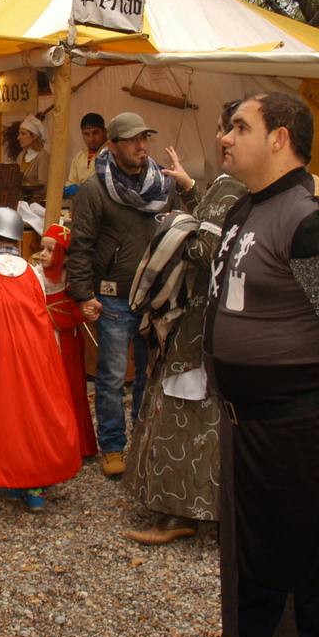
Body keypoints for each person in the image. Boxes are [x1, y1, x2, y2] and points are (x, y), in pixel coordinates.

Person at [182, 92, 319, 637]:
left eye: (239, 126)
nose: (225, 137)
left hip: (305, 431)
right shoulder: (247, 208)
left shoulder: (316, 221)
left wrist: (304, 396)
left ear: (280, 138)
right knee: (250, 551)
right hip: (246, 424)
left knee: (314, 563)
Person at [124, 101, 246, 546]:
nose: (223, 138)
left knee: (185, 417)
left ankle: (182, 514)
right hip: (216, 321)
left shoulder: (234, 185)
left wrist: (177, 229)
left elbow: (205, 253)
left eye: (230, 128)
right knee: (192, 413)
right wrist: (193, 193)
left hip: (199, 323)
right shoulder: (242, 185)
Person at [66, 111, 172, 479]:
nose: (141, 146)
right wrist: (82, 293)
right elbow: (79, 246)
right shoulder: (94, 190)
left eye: (144, 138)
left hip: (154, 297)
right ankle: (113, 446)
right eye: (131, 140)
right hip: (113, 296)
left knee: (149, 374)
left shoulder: (161, 185)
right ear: (112, 145)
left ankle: (142, 439)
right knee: (111, 378)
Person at [0, 207, 80, 513]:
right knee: (33, 413)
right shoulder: (32, 271)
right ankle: (34, 484)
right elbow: (41, 314)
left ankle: (10, 478)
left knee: (5, 415)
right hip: (35, 352)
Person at [35, 224, 98, 460]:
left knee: (73, 392)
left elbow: (78, 310)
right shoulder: (35, 276)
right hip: (44, 344)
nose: (43, 254)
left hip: (68, 344)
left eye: (50, 250)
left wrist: (84, 312)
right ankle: (51, 447)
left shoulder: (72, 281)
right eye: (42, 248)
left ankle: (81, 446)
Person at [64, 112, 107, 196]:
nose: (91, 138)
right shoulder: (79, 157)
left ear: (105, 131)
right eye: (86, 134)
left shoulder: (112, 153)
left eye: (95, 133)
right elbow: (71, 183)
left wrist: (82, 190)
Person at [15, 115, 50, 195]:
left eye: (23, 134)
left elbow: (44, 188)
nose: (18, 137)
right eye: (19, 133)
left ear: (34, 136)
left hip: (36, 204)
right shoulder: (20, 156)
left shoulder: (43, 157)